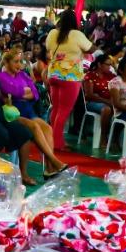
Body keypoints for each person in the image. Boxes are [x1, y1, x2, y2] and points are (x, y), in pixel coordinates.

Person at [0, 53, 65, 183]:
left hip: (1, 116)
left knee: (25, 132)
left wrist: (5, 100)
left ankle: (23, 173)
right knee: (1, 133)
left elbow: (2, 96)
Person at [44, 10, 92, 149]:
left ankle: (53, 140)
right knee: (64, 110)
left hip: (53, 74)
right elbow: (91, 49)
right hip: (70, 77)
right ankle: (57, 144)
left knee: (56, 109)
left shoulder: (53, 33)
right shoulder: (76, 34)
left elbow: (48, 47)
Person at [82, 53, 116, 131]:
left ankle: (114, 137)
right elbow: (89, 95)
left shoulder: (111, 76)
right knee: (107, 109)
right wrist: (107, 101)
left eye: (110, 65)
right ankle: (103, 136)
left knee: (125, 110)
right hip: (91, 103)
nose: (110, 67)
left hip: (109, 102)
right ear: (99, 64)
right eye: (107, 64)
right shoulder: (90, 75)